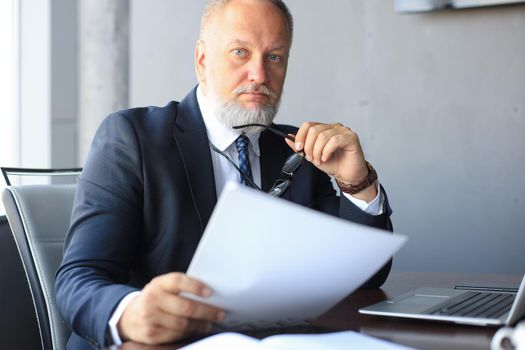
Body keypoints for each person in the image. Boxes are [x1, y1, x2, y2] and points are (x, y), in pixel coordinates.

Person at [55, 0, 393, 348]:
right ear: (202, 60)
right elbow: (78, 279)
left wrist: (357, 183)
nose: (260, 75)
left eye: (274, 56)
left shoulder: (300, 151)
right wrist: (131, 312)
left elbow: (365, 279)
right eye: (239, 52)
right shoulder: (132, 137)